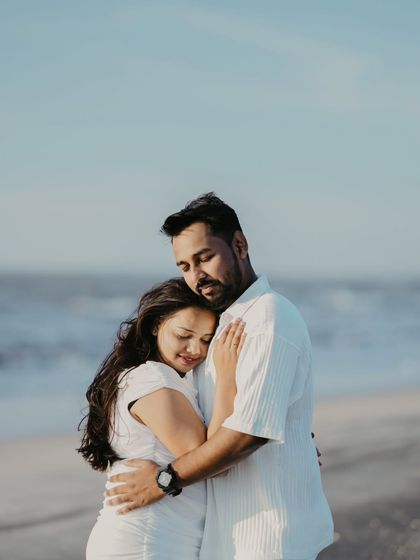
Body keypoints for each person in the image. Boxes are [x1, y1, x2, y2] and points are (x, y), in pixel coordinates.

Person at [106, 193, 334, 560]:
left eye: (204, 258)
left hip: (267, 534)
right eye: (184, 266)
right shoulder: (221, 325)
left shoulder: (267, 318)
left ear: (240, 245)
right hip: (230, 532)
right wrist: (296, 437)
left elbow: (247, 434)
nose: (196, 276)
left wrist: (165, 480)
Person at [78, 277, 245, 559]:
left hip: (154, 537)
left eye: (206, 340)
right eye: (183, 335)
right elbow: (216, 462)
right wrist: (228, 377)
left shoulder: (159, 379)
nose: (195, 350)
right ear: (156, 325)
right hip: (146, 542)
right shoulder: (153, 379)